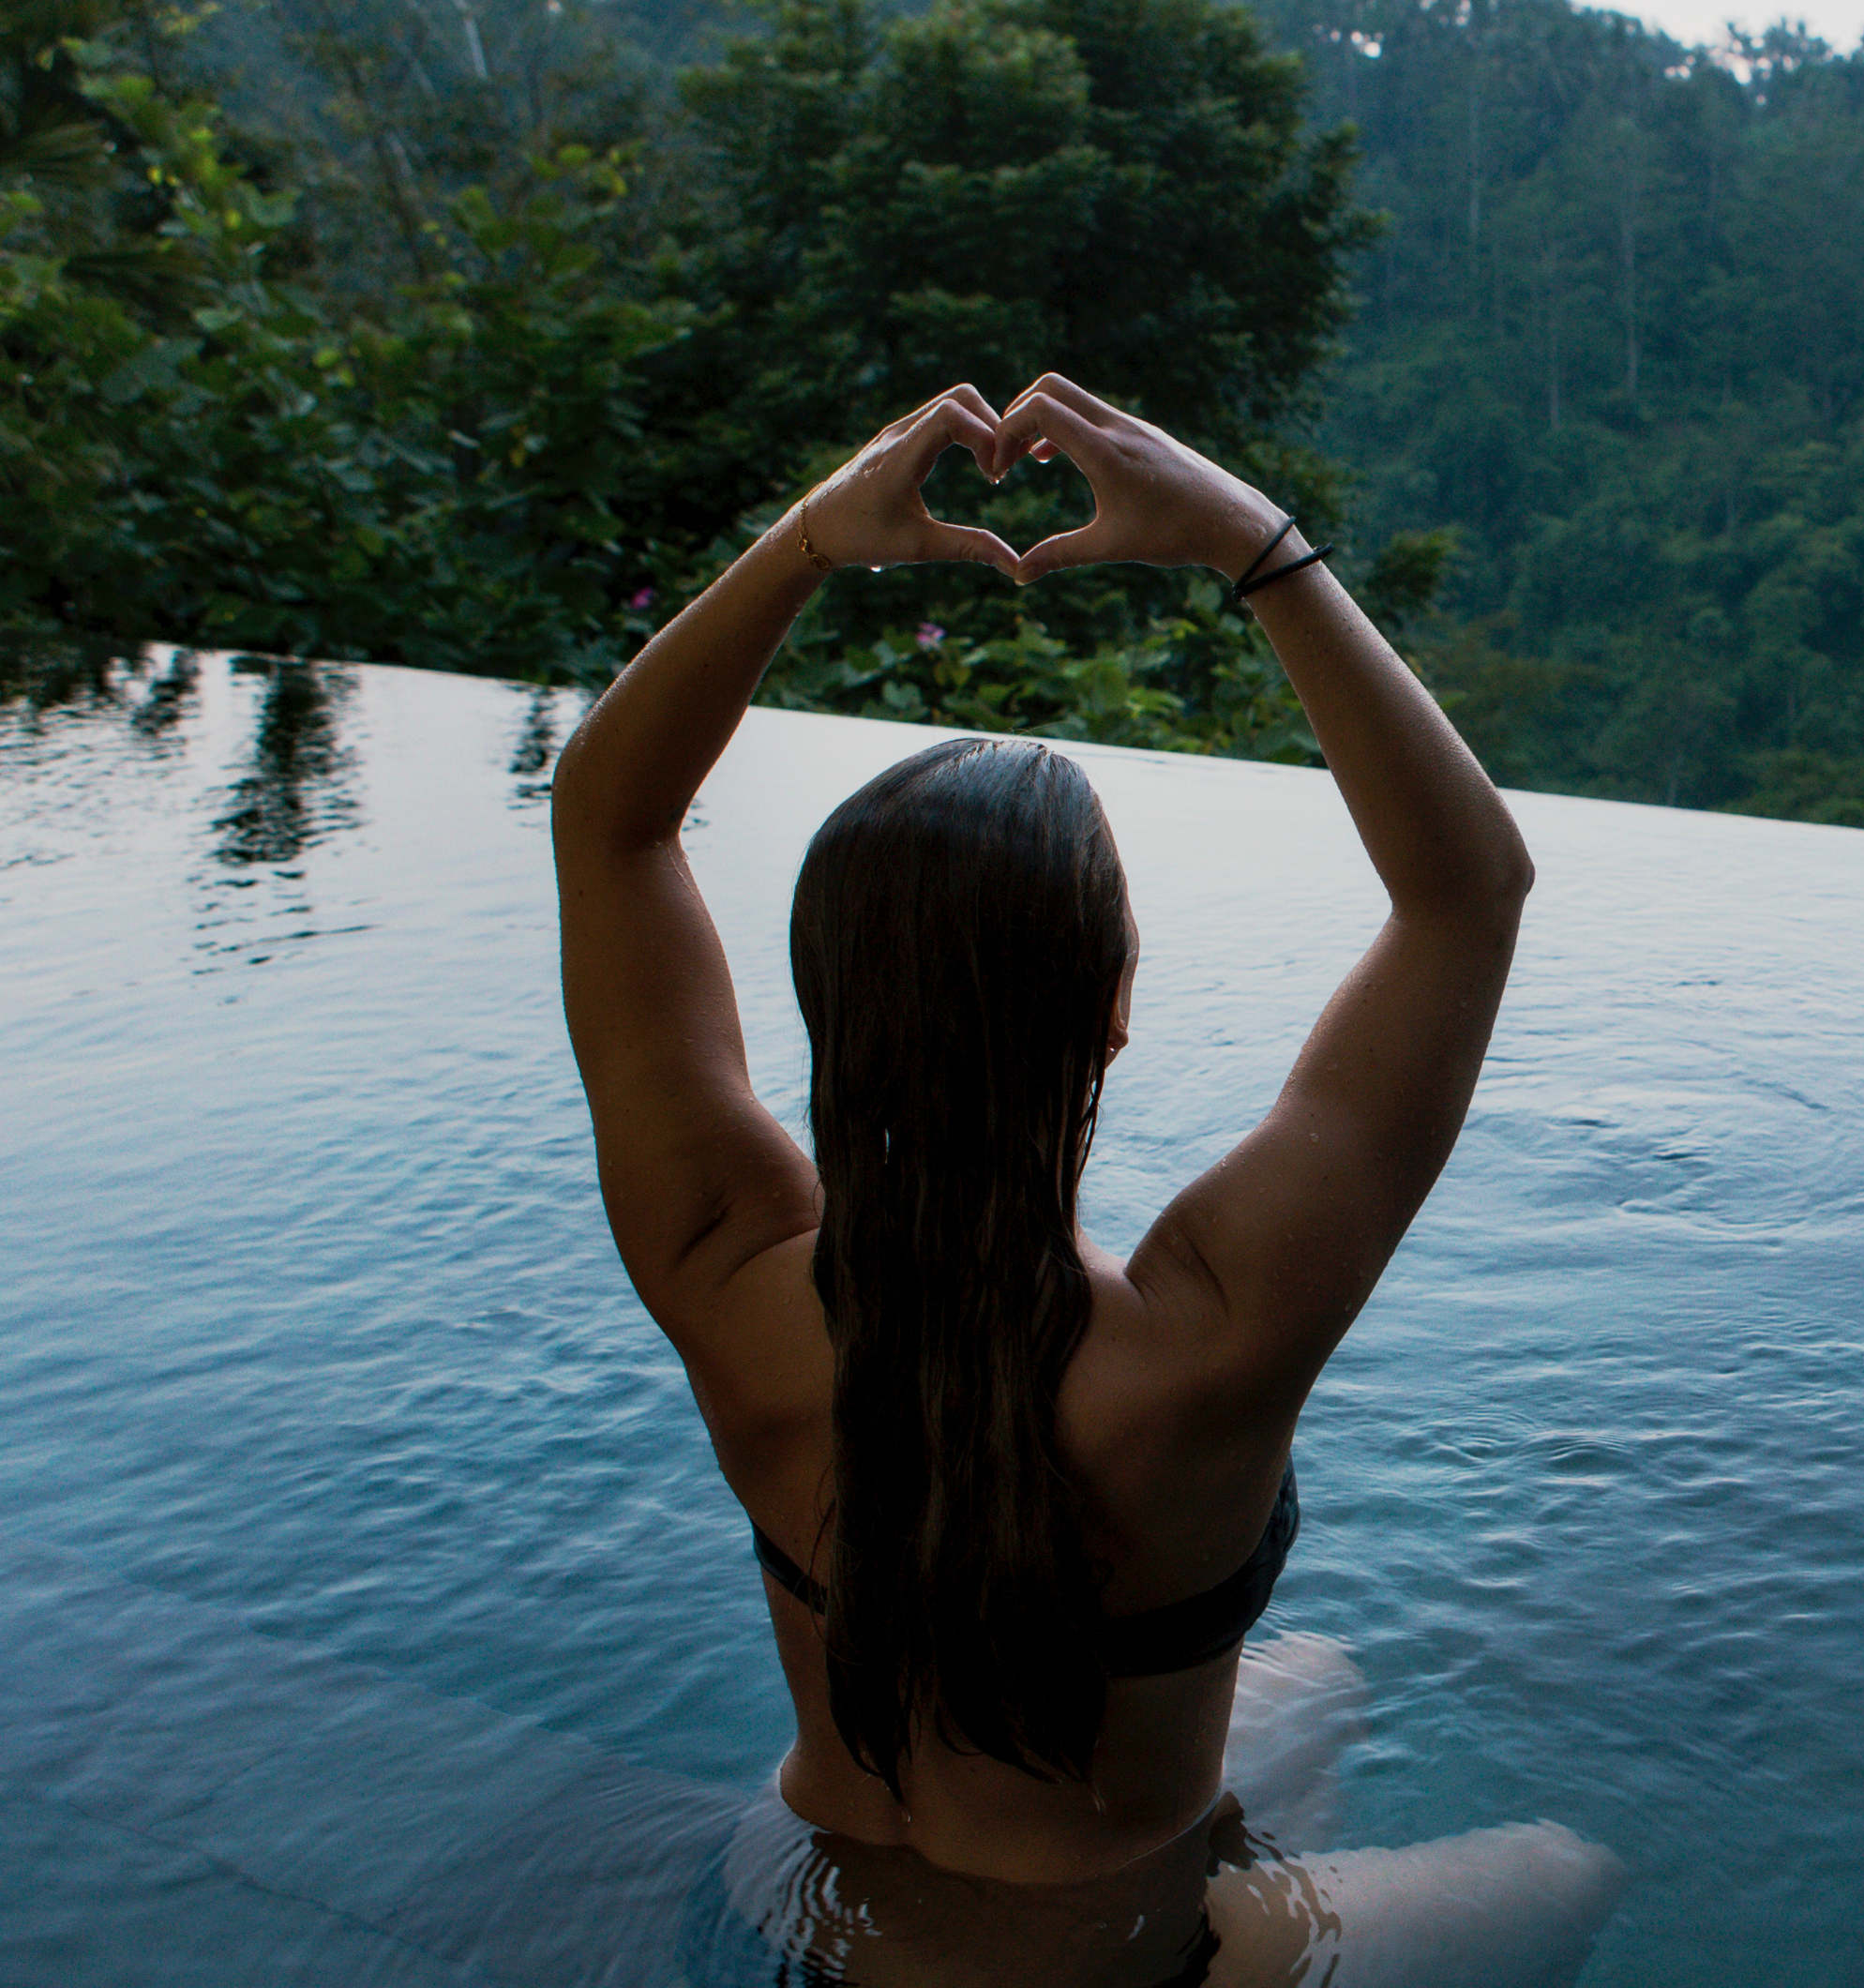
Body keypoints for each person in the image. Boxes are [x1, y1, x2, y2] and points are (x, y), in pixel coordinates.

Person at [551, 378, 1622, 1986]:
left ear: (828, 1009)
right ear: (1113, 1011)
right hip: (1101, 1965)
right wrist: (1253, 547)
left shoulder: (726, 1267)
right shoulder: (1207, 1333)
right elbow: (1467, 893)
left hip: (784, 1904)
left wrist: (808, 543)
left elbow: (607, 818)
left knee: (1314, 1678)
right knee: (1568, 1867)